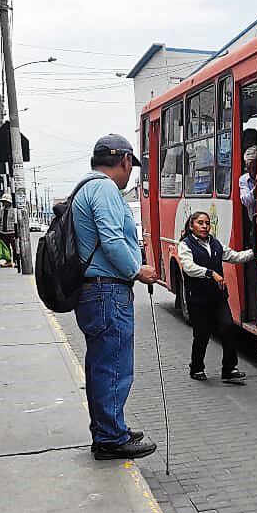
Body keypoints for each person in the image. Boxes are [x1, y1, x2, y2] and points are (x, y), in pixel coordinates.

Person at [73, 134, 159, 461]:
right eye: (130, 166)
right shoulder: (105, 189)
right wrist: (138, 270)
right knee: (114, 365)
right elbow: (111, 241)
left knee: (100, 364)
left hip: (93, 291)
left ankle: (109, 428)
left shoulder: (84, 186)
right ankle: (111, 437)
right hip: (107, 291)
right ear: (124, 161)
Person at [177, 211, 254, 383]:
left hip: (217, 297)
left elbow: (234, 256)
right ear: (191, 226)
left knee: (228, 327)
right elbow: (189, 267)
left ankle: (229, 369)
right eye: (200, 223)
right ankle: (196, 368)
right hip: (198, 298)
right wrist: (211, 273)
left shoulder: (215, 243)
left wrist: (255, 252)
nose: (204, 226)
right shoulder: (185, 245)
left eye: (207, 223)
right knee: (202, 334)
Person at [0, 196, 21, 271]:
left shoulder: (14, 211)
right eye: (3, 202)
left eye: (6, 201)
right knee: (6, 248)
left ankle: (16, 261)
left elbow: (19, 222)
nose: (4, 203)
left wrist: (18, 232)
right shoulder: (1, 211)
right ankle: (8, 261)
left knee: (15, 247)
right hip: (3, 232)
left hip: (12, 232)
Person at [239, 145, 257, 231]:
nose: (252, 171)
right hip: (253, 220)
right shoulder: (244, 179)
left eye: (255, 167)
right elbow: (245, 200)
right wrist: (256, 190)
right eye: (249, 168)